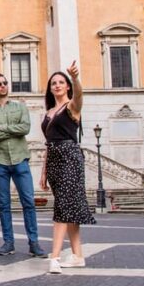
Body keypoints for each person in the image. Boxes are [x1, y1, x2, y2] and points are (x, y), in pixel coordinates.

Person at [39, 61, 96, 274]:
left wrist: (75, 78)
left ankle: (54, 257)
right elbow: (47, 142)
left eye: (61, 82)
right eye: (53, 83)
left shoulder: (72, 106)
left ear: (67, 86)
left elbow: (80, 96)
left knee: (62, 206)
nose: (57, 85)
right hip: (53, 158)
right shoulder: (49, 112)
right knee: (69, 206)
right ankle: (77, 255)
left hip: (70, 156)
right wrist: (44, 171)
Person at [0, 73, 47, 258]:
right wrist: (12, 130)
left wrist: (1, 128)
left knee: (28, 202)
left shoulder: (20, 108)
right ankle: (8, 242)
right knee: (3, 204)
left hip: (20, 160)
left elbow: (25, 128)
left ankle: (33, 243)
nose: (2, 86)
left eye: (4, 83)